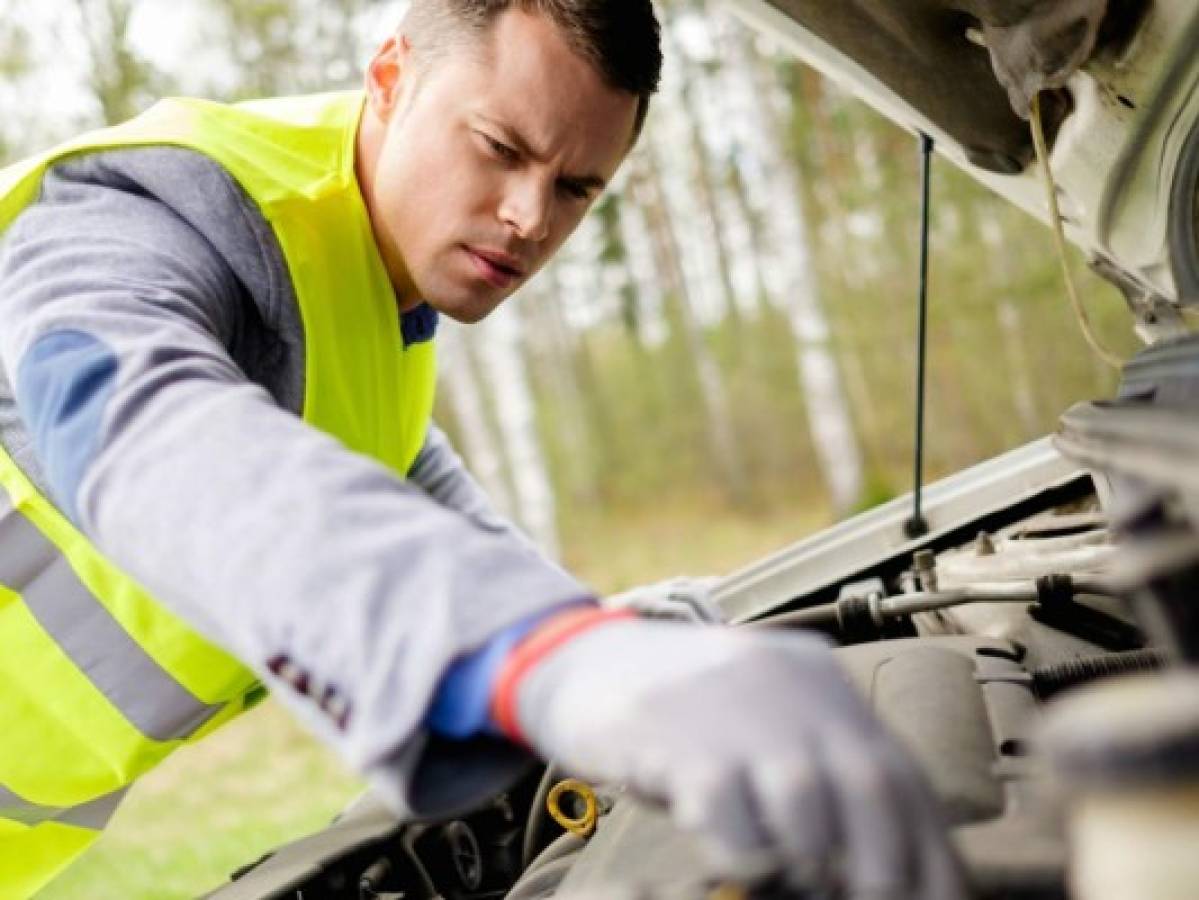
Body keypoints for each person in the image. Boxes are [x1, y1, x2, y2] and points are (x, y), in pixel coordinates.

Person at [0, 1, 963, 897]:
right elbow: (131, 414)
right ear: (389, 76)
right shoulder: (159, 210)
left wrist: (595, 632)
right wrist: (539, 653)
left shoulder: (376, 311)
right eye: (501, 148)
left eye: (576, 188)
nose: (529, 218)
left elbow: (406, 493)